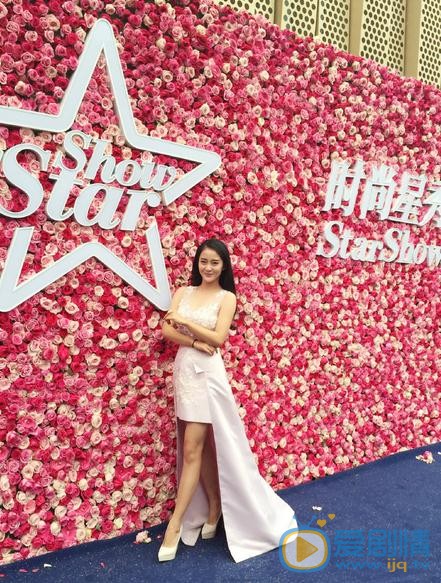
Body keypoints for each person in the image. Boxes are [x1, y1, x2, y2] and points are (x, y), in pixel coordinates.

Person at [158, 238, 296, 563]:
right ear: (197, 263)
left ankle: (175, 525)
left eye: (214, 263)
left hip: (208, 376)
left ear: (223, 266)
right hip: (185, 371)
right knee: (200, 447)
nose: (208, 267)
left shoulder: (227, 297)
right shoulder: (183, 292)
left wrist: (185, 323)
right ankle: (214, 507)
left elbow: (218, 338)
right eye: (204, 261)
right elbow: (166, 330)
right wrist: (194, 341)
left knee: (192, 448)